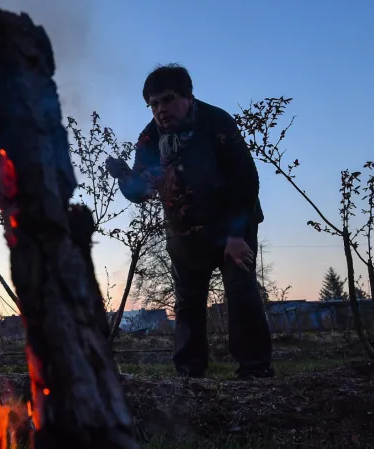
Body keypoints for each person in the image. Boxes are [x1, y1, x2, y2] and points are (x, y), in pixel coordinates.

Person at [105, 64, 273, 379]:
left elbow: (246, 179)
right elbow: (142, 191)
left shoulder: (216, 123)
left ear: (188, 96)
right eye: (153, 104)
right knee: (188, 302)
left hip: (232, 225)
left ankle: (255, 371)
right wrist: (124, 176)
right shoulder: (149, 139)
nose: (161, 110)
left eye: (167, 100)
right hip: (185, 232)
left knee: (241, 292)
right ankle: (189, 374)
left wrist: (237, 236)